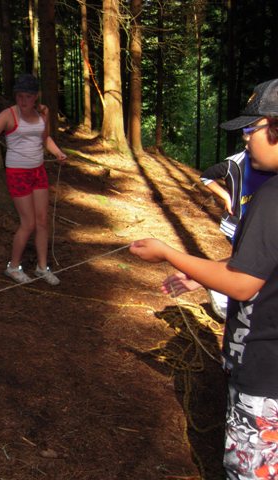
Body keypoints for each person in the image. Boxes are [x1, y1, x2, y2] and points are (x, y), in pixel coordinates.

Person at [130, 78, 278, 479]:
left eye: (251, 130)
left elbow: (243, 282)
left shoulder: (272, 196)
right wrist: (202, 276)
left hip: (265, 375)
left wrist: (168, 252)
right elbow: (263, 262)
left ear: (274, 126)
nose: (246, 140)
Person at [0, 74, 67, 285]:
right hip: (17, 173)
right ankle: (13, 267)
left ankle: (42, 267)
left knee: (42, 221)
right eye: (19, 96)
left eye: (28, 96)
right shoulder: (8, 115)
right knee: (28, 223)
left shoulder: (42, 113)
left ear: (35, 96)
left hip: (38, 171)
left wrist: (58, 153)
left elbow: (45, 138)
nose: (23, 100)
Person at [200, 146, 274, 318]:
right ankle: (223, 294)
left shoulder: (269, 162)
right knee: (243, 263)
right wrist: (226, 196)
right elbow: (206, 176)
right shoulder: (234, 163)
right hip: (236, 224)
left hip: (261, 223)